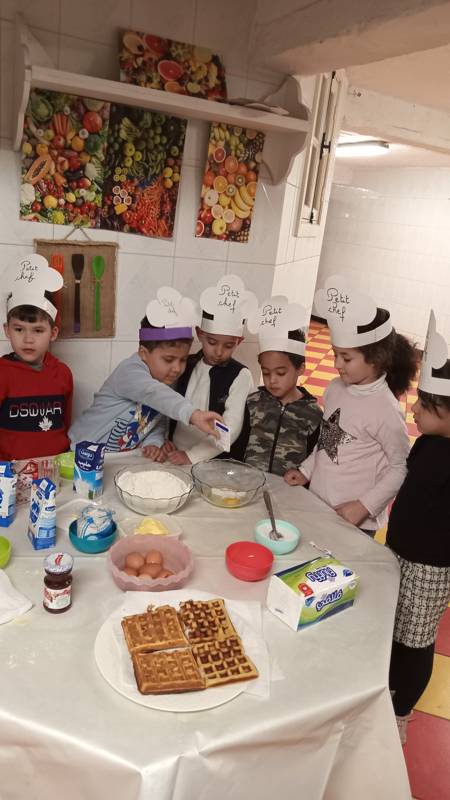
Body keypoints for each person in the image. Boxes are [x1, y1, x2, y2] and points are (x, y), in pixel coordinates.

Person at [284, 275, 417, 535]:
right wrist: (307, 470)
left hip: (355, 520)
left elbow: (400, 467)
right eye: (335, 354)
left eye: (346, 358)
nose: (336, 364)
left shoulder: (386, 410)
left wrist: (363, 506)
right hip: (319, 504)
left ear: (376, 359)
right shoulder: (335, 388)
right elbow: (326, 440)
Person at [387, 311, 450, 745]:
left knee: (415, 639)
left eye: (424, 407)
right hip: (399, 551)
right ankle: (386, 690)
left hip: (432, 566)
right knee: (392, 627)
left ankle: (402, 709)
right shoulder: (427, 442)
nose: (414, 410)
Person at [69, 288, 221, 454]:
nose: (177, 368)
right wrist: (192, 414)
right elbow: (154, 393)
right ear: (143, 353)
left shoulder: (166, 381)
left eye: (183, 359)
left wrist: (153, 443)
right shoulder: (130, 372)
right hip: (79, 451)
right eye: (168, 360)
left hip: (114, 458)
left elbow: (157, 420)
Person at [162, 275, 255, 465]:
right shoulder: (186, 364)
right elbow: (167, 402)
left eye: (228, 345)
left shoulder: (240, 376)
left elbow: (231, 426)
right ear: (200, 334)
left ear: (239, 341)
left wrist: (192, 456)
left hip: (212, 461)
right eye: (212, 342)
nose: (219, 352)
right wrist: (164, 438)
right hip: (175, 452)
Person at [0, 255, 73, 460]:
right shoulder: (2, 373)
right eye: (19, 329)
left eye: (38, 330)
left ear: (53, 333)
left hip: (55, 469)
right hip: (10, 473)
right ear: (7, 330)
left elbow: (66, 424)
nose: (28, 339)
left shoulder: (63, 374)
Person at [243, 296, 322, 475]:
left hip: (288, 487)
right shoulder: (253, 403)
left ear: (300, 368)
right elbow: (239, 447)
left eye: (280, 373)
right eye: (266, 372)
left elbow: (314, 460)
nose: (272, 380)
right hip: (249, 482)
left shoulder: (313, 414)